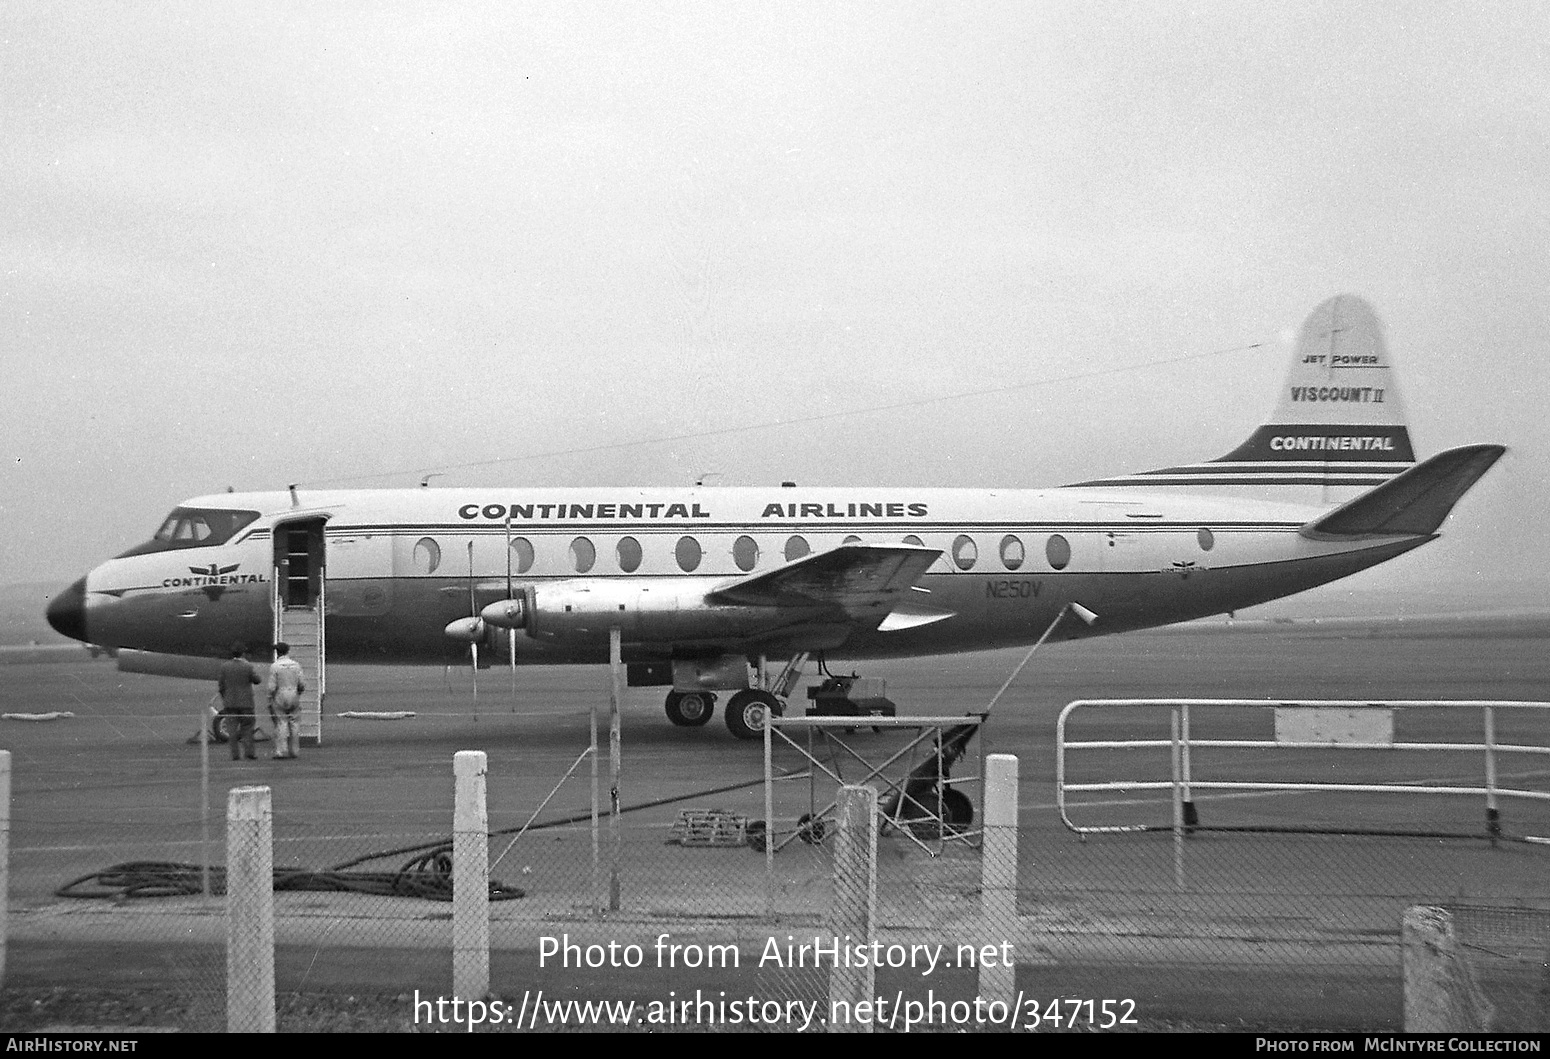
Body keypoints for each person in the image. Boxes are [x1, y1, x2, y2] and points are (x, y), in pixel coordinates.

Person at [217, 641, 261, 761]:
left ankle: (235, 755)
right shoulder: (247, 666)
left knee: (232, 730)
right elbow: (257, 680)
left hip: (230, 703)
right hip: (246, 703)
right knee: (247, 729)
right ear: (243, 653)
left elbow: (221, 686)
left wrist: (225, 697)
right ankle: (249, 753)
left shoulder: (225, 666)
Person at [267, 641, 306, 760]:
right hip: (293, 694)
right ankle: (294, 751)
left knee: (281, 723)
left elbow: (272, 687)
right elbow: (302, 684)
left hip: (280, 694)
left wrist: (270, 699)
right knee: (294, 724)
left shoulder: (275, 666)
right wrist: (298, 693)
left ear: (277, 652)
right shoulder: (296, 665)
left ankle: (281, 751)